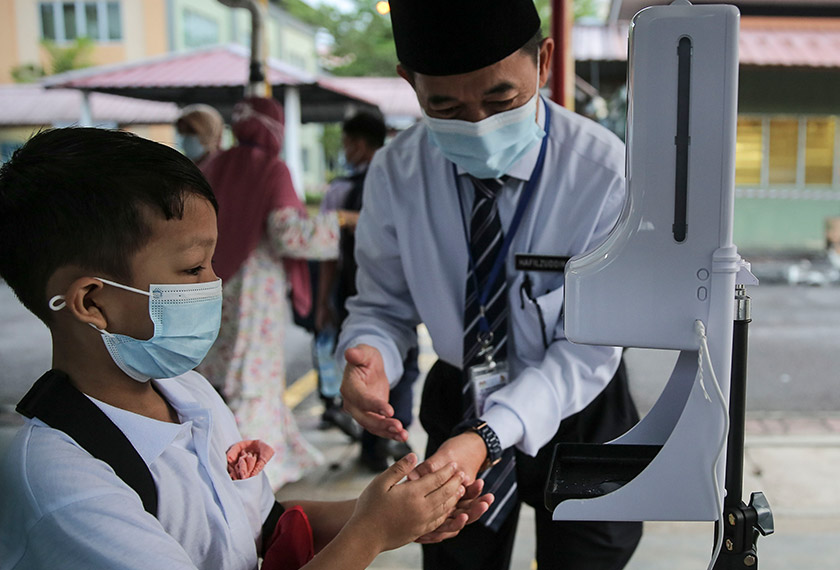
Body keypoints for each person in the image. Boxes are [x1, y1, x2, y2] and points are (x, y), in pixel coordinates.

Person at [0, 127, 492, 570]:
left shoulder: (190, 395)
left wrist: (397, 513)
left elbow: (261, 525)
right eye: (193, 268)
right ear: (92, 302)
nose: (215, 282)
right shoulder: (64, 482)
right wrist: (371, 532)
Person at [337, 1, 643, 569]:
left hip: (580, 406)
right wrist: (371, 355)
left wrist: (490, 435)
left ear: (543, 61)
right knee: (457, 558)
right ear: (410, 82)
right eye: (446, 107)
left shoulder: (603, 173)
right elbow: (382, 305)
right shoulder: (397, 172)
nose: (477, 125)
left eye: (501, 100)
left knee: (589, 558)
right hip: (462, 396)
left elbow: (591, 346)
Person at [197, 97, 356, 489]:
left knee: (221, 376)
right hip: (255, 291)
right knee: (252, 381)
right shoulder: (272, 168)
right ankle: (248, 473)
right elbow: (288, 234)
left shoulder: (214, 164)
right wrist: (339, 220)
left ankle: (214, 460)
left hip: (212, 284)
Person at [315, 112, 418, 472]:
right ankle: (380, 440)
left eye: (346, 144)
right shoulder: (388, 183)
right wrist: (324, 301)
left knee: (400, 365)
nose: (345, 151)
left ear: (359, 144)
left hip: (382, 293)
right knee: (364, 363)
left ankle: (389, 436)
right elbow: (329, 252)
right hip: (360, 294)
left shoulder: (404, 180)